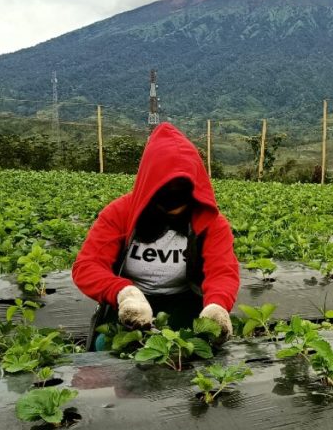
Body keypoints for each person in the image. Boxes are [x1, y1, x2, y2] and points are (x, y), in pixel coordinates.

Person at [72, 123, 239, 349]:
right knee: (109, 346)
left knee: (189, 349)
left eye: (180, 195)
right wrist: (124, 293)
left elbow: (222, 271)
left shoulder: (209, 222)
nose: (174, 208)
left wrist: (216, 306)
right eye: (165, 196)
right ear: (150, 186)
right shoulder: (121, 213)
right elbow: (88, 265)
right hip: (133, 301)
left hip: (184, 300)